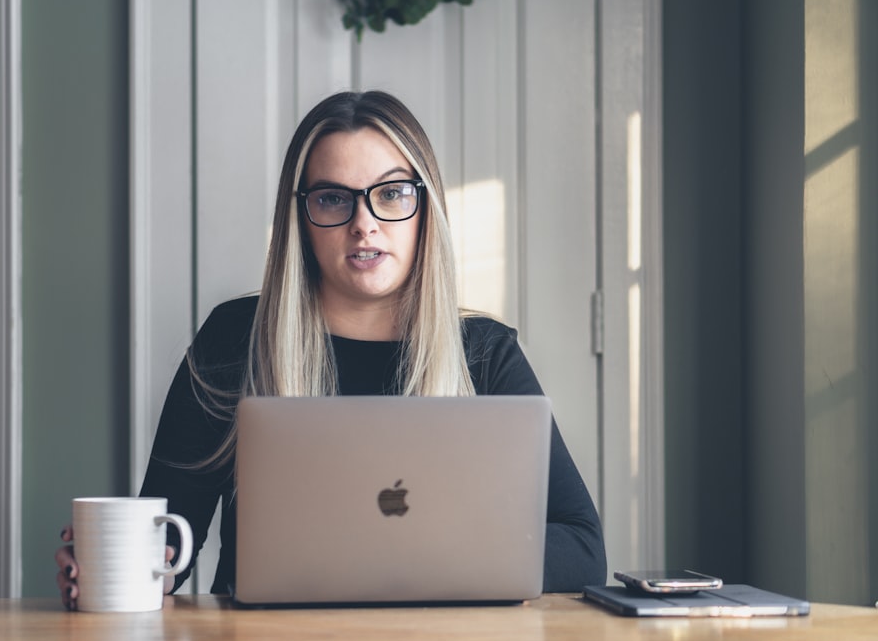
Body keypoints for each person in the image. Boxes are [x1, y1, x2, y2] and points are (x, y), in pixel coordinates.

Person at [56, 90, 606, 609]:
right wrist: (113, 566)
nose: (363, 224)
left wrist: (454, 554)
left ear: (425, 207)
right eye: (333, 198)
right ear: (301, 217)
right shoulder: (234, 339)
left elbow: (583, 549)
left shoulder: (485, 352)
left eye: (391, 192)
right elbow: (172, 534)